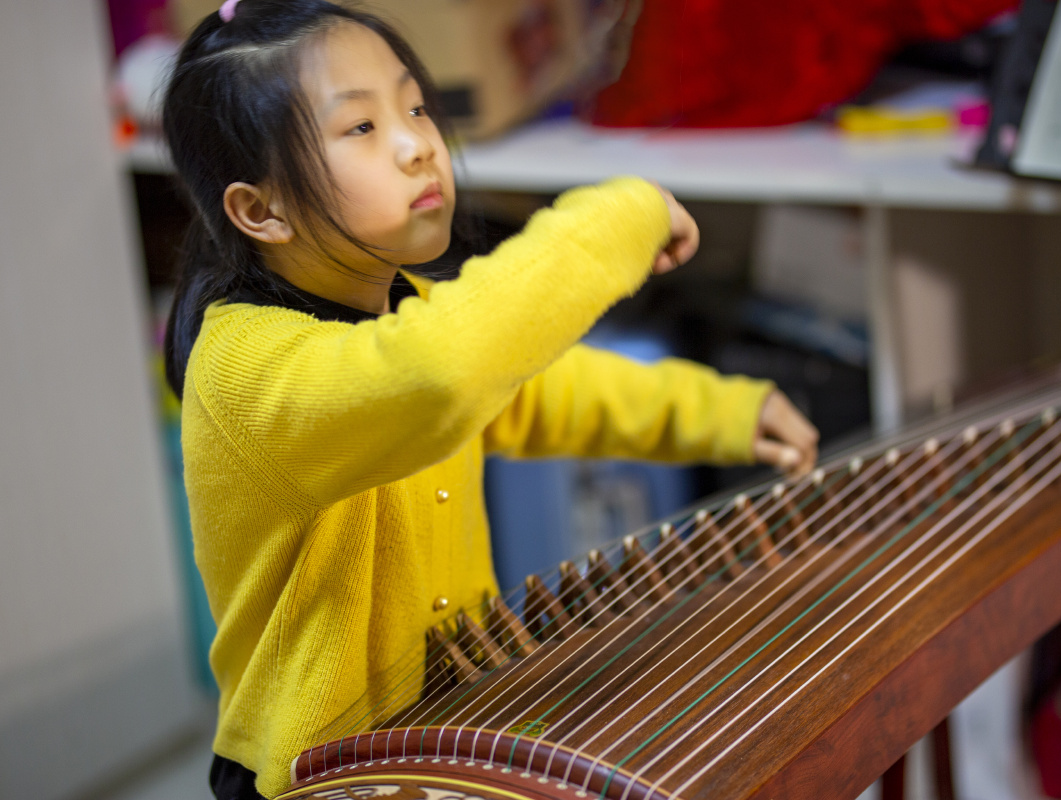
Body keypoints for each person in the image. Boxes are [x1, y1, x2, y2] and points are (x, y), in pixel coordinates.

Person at [161, 1, 819, 797]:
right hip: (318, 780)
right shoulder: (248, 366)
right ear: (260, 210)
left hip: (443, 741)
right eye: (361, 129)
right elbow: (441, 375)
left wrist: (725, 413)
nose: (417, 145)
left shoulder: (400, 305)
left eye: (413, 107)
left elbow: (545, 390)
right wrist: (619, 214)